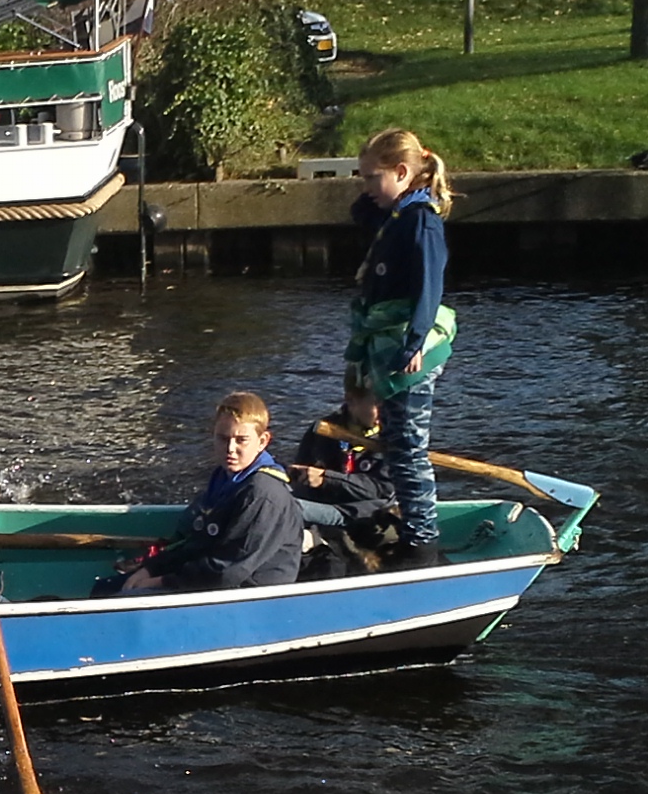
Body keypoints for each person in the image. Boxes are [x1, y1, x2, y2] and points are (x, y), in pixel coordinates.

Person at [348, 127, 457, 568]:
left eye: (373, 178)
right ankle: (412, 527)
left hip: (408, 352)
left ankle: (422, 544)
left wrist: (414, 343)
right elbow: (359, 212)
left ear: (401, 172)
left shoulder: (422, 220)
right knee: (395, 442)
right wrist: (375, 191)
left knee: (409, 447)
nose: (367, 189)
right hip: (389, 348)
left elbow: (430, 288)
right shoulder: (396, 214)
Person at [100, 391, 303, 596]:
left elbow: (228, 571)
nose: (230, 449)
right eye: (223, 438)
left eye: (241, 440)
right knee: (105, 588)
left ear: (262, 441)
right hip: (211, 580)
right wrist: (150, 568)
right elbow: (198, 543)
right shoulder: (225, 479)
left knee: (120, 599)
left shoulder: (262, 495)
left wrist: (159, 581)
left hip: (245, 594)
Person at [287, 379, 393, 531]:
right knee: (277, 500)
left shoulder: (395, 436)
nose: (386, 411)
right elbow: (303, 469)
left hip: (364, 513)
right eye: (378, 403)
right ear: (350, 400)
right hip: (324, 505)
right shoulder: (323, 429)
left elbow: (382, 489)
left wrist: (326, 479)